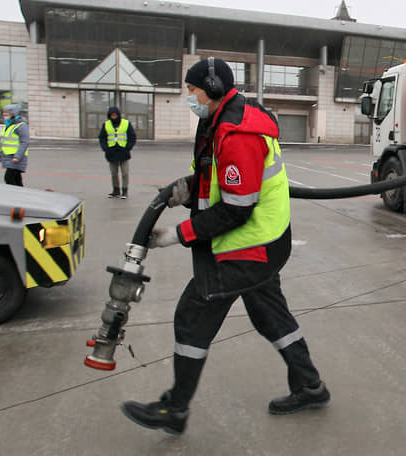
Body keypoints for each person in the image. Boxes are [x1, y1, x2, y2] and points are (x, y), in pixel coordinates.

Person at [121, 57, 328, 435]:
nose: (189, 97)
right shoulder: (218, 119)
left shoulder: (237, 133)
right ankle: (310, 386)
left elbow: (235, 210)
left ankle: (176, 409)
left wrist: (178, 235)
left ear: (213, 89)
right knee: (271, 316)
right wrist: (187, 189)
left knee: (192, 314)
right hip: (265, 241)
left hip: (250, 245)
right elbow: (214, 175)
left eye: (192, 90)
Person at [98, 106, 136, 199]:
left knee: (125, 173)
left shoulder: (126, 123)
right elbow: (102, 138)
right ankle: (116, 190)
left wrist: (128, 147)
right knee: (114, 173)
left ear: (118, 115)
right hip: (111, 152)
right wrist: (105, 148)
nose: (113, 116)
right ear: (109, 115)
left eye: (115, 114)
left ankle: (125, 191)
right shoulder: (106, 124)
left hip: (123, 152)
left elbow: (132, 136)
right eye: (112, 115)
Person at [0, 103, 29, 186]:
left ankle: (15, 196)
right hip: (8, 156)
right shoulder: (8, 125)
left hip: (16, 157)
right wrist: (0, 154)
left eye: (6, 112)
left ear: (13, 113)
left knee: (9, 178)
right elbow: (4, 142)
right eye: (3, 112)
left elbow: (24, 142)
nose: (4, 114)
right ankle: (20, 195)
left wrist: (17, 157)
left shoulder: (21, 126)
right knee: (16, 178)